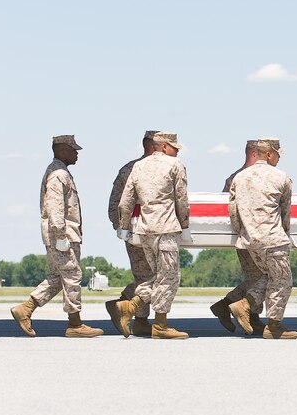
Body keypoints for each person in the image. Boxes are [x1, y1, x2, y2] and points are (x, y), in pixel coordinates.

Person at [11, 135, 103, 338]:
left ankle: (25, 309)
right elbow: (55, 207)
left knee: (57, 277)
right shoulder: (58, 174)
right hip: (62, 236)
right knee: (72, 276)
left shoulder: (61, 172)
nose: (77, 153)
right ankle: (75, 323)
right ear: (62, 150)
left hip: (61, 235)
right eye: (73, 150)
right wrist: (61, 235)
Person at [110, 131, 191, 339]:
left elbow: (125, 201)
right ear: (164, 146)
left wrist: (125, 227)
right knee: (170, 277)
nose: (177, 150)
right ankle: (160, 325)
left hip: (143, 230)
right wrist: (185, 225)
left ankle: (131, 306)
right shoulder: (175, 165)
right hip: (165, 228)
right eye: (174, 146)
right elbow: (181, 199)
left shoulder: (138, 166)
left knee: (155, 276)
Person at [229, 137, 297, 339]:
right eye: (277, 154)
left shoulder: (239, 178)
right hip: (273, 237)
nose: (278, 158)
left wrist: (242, 231)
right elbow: (285, 212)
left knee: (269, 277)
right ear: (269, 154)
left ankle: (244, 304)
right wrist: (285, 234)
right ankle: (272, 325)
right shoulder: (281, 177)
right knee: (283, 280)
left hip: (249, 238)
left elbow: (233, 211)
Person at [209, 139, 265, 336]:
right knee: (265, 276)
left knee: (256, 277)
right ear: (256, 154)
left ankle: (241, 312)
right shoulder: (251, 177)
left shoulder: (233, 178)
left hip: (243, 235)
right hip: (256, 234)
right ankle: (232, 307)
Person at [105, 130, 157, 336]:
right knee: (154, 276)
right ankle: (126, 307)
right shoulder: (134, 169)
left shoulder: (129, 169)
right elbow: (116, 203)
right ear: (153, 146)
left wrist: (122, 228)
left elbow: (113, 205)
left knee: (145, 275)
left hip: (138, 230)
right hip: (143, 231)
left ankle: (139, 319)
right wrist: (124, 229)